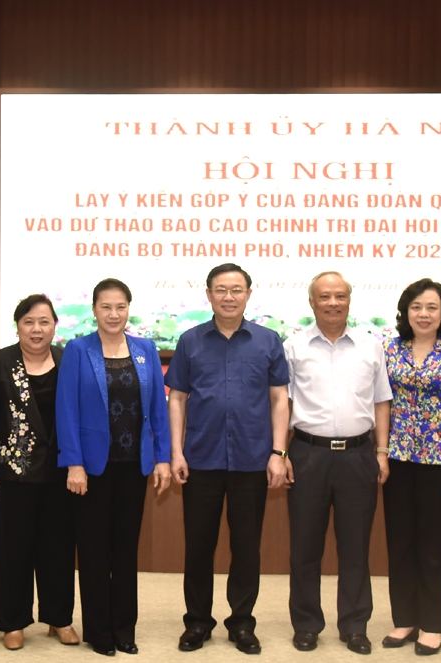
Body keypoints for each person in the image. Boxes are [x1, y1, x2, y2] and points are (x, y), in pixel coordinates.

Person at [165, 263, 290, 655]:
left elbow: (279, 399)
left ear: (248, 294)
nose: (229, 296)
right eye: (221, 289)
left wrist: (278, 453)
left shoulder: (268, 341)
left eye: (237, 289)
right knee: (198, 546)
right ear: (208, 294)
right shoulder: (189, 341)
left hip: (253, 459)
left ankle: (241, 623)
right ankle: (198, 622)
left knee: (246, 547)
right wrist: (175, 452)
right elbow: (178, 399)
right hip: (200, 459)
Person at [55, 278, 171, 657]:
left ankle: (124, 628)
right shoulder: (76, 349)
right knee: (92, 551)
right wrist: (73, 462)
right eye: (106, 307)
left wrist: (163, 458)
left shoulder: (146, 349)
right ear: (94, 310)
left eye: (120, 307)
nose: (113, 314)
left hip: (133, 466)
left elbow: (158, 409)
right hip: (91, 468)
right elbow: (67, 410)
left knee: (125, 551)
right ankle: (99, 632)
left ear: (128, 309)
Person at [283, 270, 391, 656]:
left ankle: (355, 624)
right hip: (308, 454)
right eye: (324, 297)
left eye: (340, 296)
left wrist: (382, 451)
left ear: (349, 300)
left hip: (360, 455)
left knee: (356, 546)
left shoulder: (370, 345)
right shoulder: (293, 346)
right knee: (305, 547)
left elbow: (382, 401)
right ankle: (307, 624)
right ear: (312, 302)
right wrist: (280, 453)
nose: (332, 303)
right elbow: (284, 404)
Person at [0, 294, 78, 651]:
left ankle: (58, 618)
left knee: (59, 550)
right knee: (10, 550)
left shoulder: (68, 360)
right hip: (11, 474)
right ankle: (12, 621)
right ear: (17, 325)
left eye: (44, 322)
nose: (37, 329)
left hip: (60, 473)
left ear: (54, 326)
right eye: (29, 322)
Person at [381, 278, 441, 656]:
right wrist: (380, 451)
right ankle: (404, 618)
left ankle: (433, 624)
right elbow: (381, 404)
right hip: (398, 459)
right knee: (400, 542)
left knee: (434, 546)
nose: (424, 314)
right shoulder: (390, 349)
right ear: (407, 312)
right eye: (417, 307)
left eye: (432, 307)